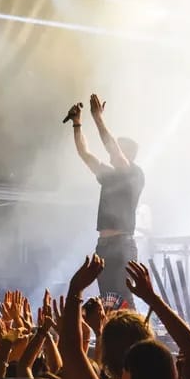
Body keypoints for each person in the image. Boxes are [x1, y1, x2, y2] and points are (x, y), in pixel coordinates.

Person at [68, 95, 145, 307]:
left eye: (119, 149)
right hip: (104, 245)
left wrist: (98, 118)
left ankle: (134, 337)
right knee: (109, 301)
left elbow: (112, 149)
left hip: (122, 245)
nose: (111, 155)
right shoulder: (109, 176)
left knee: (124, 299)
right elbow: (85, 154)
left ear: (127, 154)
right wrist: (77, 124)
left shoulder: (134, 174)